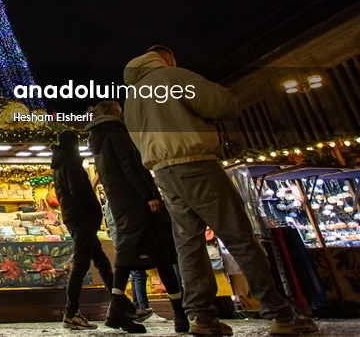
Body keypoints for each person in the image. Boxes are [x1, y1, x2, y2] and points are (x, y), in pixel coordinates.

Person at [123, 46, 318, 336]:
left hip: (163, 172)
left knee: (188, 246)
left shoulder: (133, 97)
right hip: (196, 162)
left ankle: (202, 316)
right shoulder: (173, 77)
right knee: (240, 237)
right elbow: (222, 105)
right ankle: (280, 314)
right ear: (167, 58)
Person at [88, 101, 188, 334]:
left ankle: (115, 310)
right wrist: (149, 195)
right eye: (118, 109)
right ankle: (179, 313)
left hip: (119, 204)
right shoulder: (117, 133)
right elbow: (131, 166)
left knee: (126, 255)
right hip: (135, 201)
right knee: (161, 253)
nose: (122, 112)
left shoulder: (97, 141)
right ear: (112, 113)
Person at [51, 130, 115, 330]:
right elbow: (78, 190)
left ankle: (123, 305)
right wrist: (93, 209)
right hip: (82, 218)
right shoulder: (70, 162)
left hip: (77, 218)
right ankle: (71, 313)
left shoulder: (60, 163)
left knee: (102, 263)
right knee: (81, 265)